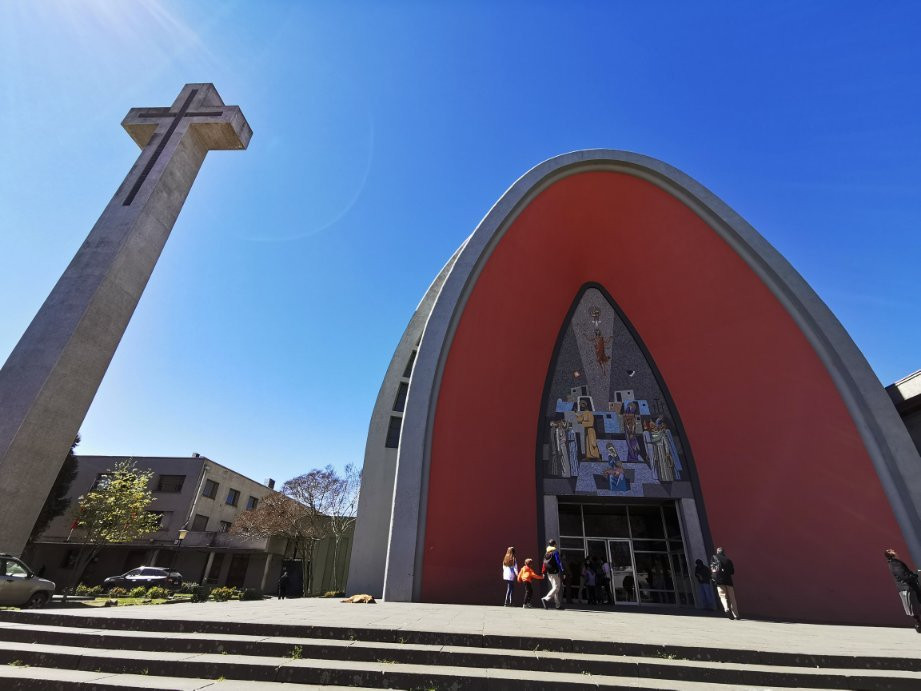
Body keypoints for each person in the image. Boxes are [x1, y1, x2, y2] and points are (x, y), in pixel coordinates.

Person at [885, 548, 921, 632]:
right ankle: (919, 625)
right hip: (908, 588)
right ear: (892, 555)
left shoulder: (893, 563)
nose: (895, 551)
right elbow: (904, 576)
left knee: (914, 608)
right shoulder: (895, 563)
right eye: (892, 550)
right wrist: (915, 576)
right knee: (915, 607)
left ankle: (919, 625)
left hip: (906, 588)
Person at [710, 547, 739, 620]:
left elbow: (713, 568)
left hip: (719, 581)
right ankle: (736, 615)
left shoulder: (714, 558)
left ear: (717, 552)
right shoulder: (728, 560)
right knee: (732, 598)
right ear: (723, 552)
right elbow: (732, 572)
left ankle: (726, 609)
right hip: (728, 581)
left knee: (723, 596)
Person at [541, 539, 564, 609]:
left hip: (549, 573)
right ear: (554, 544)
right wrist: (562, 569)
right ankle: (545, 599)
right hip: (554, 572)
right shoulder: (555, 552)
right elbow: (558, 562)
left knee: (554, 588)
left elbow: (544, 563)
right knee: (557, 587)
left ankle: (558, 605)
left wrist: (543, 572)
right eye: (555, 544)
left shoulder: (546, 553)